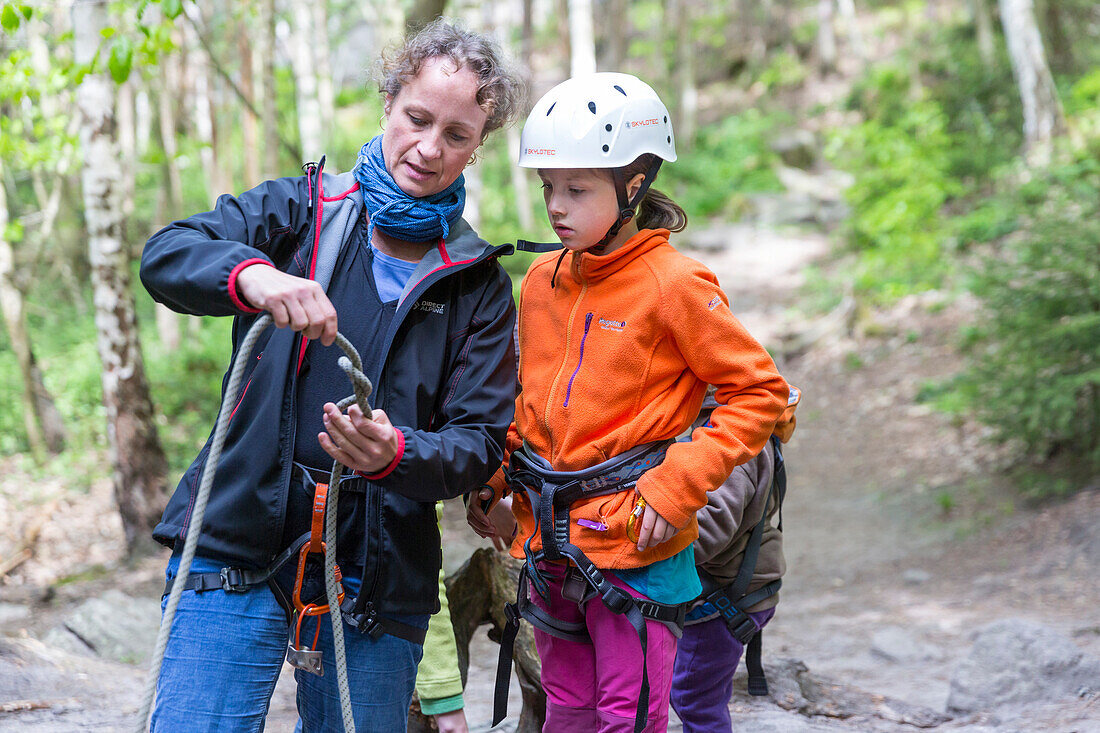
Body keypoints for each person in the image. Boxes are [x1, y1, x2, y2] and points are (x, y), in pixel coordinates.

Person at [139, 19, 523, 732]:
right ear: (387, 101)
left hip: (380, 567)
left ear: (480, 144)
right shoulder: (299, 214)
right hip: (236, 534)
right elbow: (167, 255)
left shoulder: (479, 286)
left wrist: (397, 454)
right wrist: (250, 274)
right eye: (417, 118)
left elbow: (479, 441)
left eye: (457, 134)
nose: (429, 148)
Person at [467, 72, 788, 733]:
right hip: (550, 539)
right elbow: (532, 399)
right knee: (567, 714)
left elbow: (760, 392)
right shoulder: (541, 280)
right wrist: (496, 475)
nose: (556, 205)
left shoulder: (674, 283)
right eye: (549, 186)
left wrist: (678, 485)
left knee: (628, 718)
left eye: (577, 189)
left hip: (634, 545)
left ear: (635, 182)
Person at [669, 388, 797, 732]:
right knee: (695, 696)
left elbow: (707, 532)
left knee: (692, 699)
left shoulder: (727, 439)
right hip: (735, 587)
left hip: (724, 597)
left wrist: (635, 542)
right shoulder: (738, 423)